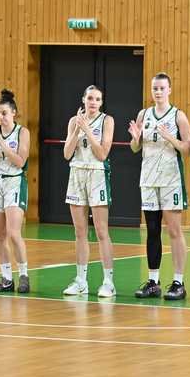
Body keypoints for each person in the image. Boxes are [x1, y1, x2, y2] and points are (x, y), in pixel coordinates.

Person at [128, 72, 190, 300]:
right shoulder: (143, 114)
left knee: (174, 231)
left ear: (169, 90)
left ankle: (179, 282)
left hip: (170, 180)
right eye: (155, 88)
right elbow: (135, 148)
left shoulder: (178, 116)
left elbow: (188, 149)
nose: (158, 92)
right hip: (148, 179)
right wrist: (136, 138)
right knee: (152, 230)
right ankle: (153, 282)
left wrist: (170, 138)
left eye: (162, 88)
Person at [62, 85, 116, 297]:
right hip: (76, 173)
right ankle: (81, 281)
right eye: (90, 98)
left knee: (102, 231)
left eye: (97, 99)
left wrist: (87, 131)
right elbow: (67, 154)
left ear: (101, 103)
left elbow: (102, 154)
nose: (93, 102)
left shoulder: (107, 121)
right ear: (83, 99)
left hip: (97, 174)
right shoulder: (73, 121)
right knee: (79, 232)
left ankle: (108, 282)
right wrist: (78, 129)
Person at [0, 89, 31, 294]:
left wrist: (4, 146)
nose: (0, 117)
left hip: (14, 182)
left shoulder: (22, 132)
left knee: (13, 233)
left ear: (13, 113)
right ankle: (6, 278)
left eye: (4, 113)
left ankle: (24, 276)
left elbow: (20, 162)